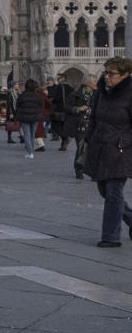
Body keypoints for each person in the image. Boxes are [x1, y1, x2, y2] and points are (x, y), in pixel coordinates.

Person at [84, 58, 132, 247]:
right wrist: (89, 138)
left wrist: (124, 142)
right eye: (105, 72)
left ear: (125, 75)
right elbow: (94, 118)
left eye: (111, 73)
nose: (106, 76)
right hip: (100, 147)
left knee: (113, 191)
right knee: (104, 190)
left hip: (121, 150)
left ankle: (110, 236)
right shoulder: (101, 92)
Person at [66, 75, 96, 179]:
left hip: (93, 126)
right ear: (88, 83)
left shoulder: (97, 94)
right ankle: (79, 169)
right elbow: (67, 107)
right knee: (81, 148)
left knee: (93, 149)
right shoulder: (75, 95)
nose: (96, 83)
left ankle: (93, 171)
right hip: (80, 126)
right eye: (94, 81)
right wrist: (78, 109)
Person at [13, 79, 43, 159]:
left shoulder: (22, 95)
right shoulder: (37, 96)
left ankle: (29, 152)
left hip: (24, 117)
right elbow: (40, 106)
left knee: (27, 134)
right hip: (35, 117)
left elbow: (17, 105)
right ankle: (31, 151)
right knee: (32, 135)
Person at [51, 73, 75, 151]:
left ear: (63, 78)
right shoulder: (71, 88)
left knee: (55, 125)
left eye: (59, 78)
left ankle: (65, 138)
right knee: (64, 126)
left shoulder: (59, 87)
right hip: (68, 110)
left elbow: (56, 98)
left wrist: (52, 101)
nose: (58, 80)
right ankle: (63, 144)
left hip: (59, 110)